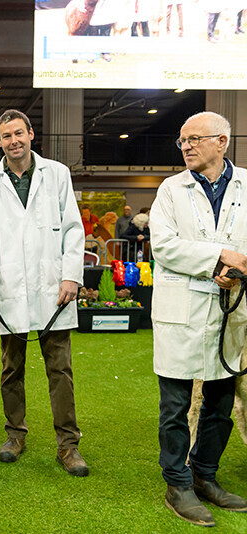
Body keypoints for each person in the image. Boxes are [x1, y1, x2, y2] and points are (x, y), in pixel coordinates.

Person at [0, 109, 88, 477]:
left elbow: (73, 228)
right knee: (11, 369)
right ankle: (15, 435)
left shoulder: (57, 174)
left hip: (54, 286)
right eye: (6, 136)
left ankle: (68, 445)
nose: (13, 141)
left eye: (18, 133)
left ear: (31, 134)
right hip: (8, 288)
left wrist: (71, 276)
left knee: (60, 369)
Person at [150, 111, 247, 527]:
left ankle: (205, 476)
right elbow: (164, 246)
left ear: (221, 141)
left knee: (220, 403)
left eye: (194, 139)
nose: (186, 146)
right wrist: (220, 258)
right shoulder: (171, 189)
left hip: (231, 307)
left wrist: (240, 269)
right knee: (175, 405)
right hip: (182, 310)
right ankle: (178, 483)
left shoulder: (246, 183)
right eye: (182, 140)